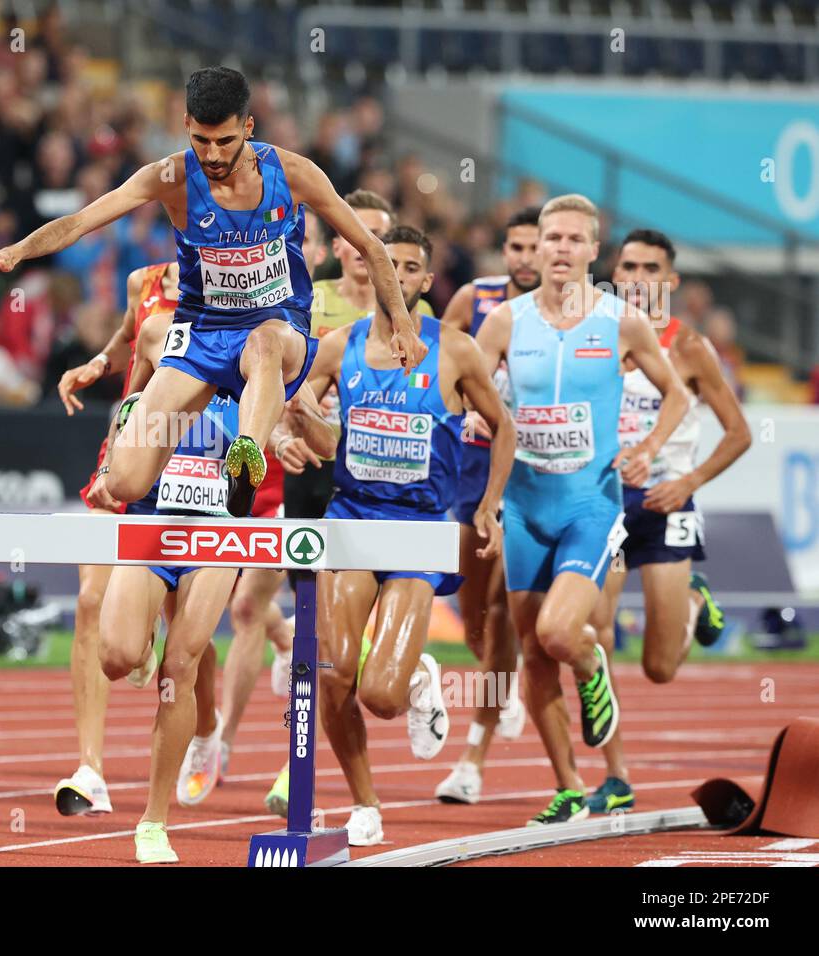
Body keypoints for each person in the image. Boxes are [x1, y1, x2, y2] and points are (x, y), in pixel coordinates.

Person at [0, 66, 425, 520]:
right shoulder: (167, 177)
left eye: (225, 141)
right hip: (202, 331)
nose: (212, 155)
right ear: (187, 124)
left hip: (278, 324)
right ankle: (158, 437)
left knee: (264, 342)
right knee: (125, 482)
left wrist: (401, 325)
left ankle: (245, 457)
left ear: (248, 127)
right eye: (201, 140)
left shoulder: (293, 174)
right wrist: (15, 252)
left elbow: (371, 246)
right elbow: (78, 222)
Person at [281, 225, 514, 845]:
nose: (397, 276)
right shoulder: (337, 347)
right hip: (352, 520)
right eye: (389, 264)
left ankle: (414, 679)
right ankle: (364, 802)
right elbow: (300, 414)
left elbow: (504, 428)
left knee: (380, 697)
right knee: (331, 674)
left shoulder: (456, 351)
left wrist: (487, 506)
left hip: (419, 529)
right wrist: (287, 430)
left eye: (411, 268)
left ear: (423, 281)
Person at [474, 195, 692, 825]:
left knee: (560, 633)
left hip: (590, 505)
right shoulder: (506, 323)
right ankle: (569, 785)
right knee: (534, 656)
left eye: (575, 239)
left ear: (594, 251)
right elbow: (470, 389)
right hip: (523, 506)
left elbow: (675, 395)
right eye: (553, 238)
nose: (562, 248)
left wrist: (647, 449)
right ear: (537, 247)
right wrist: (470, 415)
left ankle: (592, 662)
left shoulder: (623, 323)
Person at [88, 307, 323, 863]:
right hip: (151, 517)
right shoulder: (155, 332)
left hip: (216, 531)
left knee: (183, 665)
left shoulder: (272, 349)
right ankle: (144, 651)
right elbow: (130, 405)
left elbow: (318, 433)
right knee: (117, 656)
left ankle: (153, 821)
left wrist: (295, 430)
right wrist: (109, 467)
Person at [583, 228, 751, 814]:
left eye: (651, 268)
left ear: (670, 281)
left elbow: (739, 433)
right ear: (615, 272)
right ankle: (617, 774)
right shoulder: (593, 335)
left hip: (666, 504)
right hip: (603, 503)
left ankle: (697, 605)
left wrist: (687, 482)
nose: (638, 277)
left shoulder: (691, 348)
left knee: (658, 668)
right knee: (593, 632)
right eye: (628, 266)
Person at [49, 261, 180, 817]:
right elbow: (132, 336)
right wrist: (100, 362)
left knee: (186, 637)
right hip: (128, 454)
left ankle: (204, 729)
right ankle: (90, 767)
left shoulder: (244, 284)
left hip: (193, 472)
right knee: (88, 601)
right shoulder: (143, 282)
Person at [433, 206, 541, 804]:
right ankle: (505, 685)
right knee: (473, 617)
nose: (526, 256)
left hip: (534, 479)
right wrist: (460, 406)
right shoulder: (475, 301)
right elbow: (439, 365)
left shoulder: (570, 317)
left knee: (502, 613)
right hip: (470, 476)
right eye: (516, 246)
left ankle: (473, 756)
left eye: (536, 245)